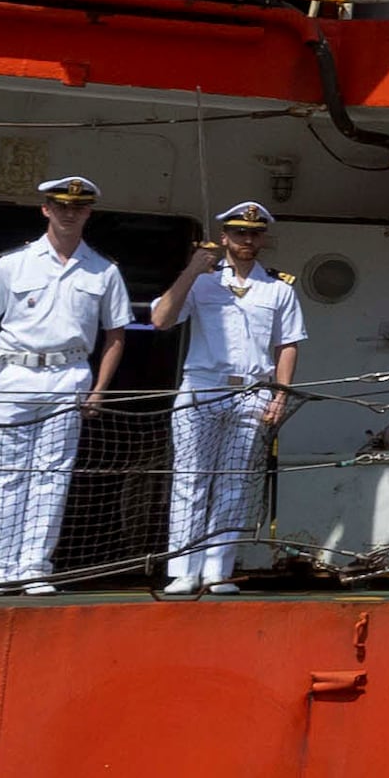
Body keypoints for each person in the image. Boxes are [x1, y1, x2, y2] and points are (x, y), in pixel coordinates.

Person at [0, 180, 134, 591]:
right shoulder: (13, 263)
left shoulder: (104, 270)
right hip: (15, 373)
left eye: (78, 206)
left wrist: (99, 390)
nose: (69, 213)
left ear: (89, 213)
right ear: (45, 209)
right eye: (61, 205)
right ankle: (1, 568)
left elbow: (116, 335)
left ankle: (35, 566)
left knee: (52, 475)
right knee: (5, 474)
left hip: (69, 374)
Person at [152, 199, 305, 594]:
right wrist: (191, 269)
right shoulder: (202, 281)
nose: (247, 239)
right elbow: (161, 320)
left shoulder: (277, 288)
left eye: (254, 233)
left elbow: (287, 345)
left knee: (235, 481)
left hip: (253, 389)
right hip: (202, 386)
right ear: (225, 237)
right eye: (239, 232)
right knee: (191, 478)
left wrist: (281, 396)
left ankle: (218, 569)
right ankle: (185, 569)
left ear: (263, 238)